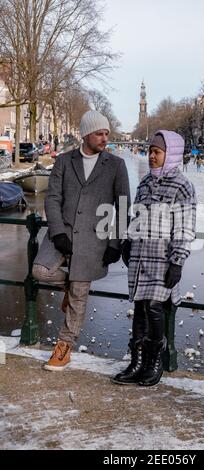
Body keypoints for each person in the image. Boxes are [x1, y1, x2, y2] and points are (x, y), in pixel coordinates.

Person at [32, 110, 131, 371]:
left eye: (107, 133)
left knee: (79, 293)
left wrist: (115, 242)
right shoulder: (64, 161)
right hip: (62, 234)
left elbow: (122, 206)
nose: (104, 138)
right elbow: (52, 198)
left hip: (93, 239)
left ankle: (64, 347)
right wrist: (58, 232)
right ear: (86, 134)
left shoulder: (116, 165)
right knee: (40, 271)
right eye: (99, 133)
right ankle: (68, 284)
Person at [113, 130, 197, 387]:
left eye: (157, 152)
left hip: (161, 258)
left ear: (169, 154)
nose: (151, 156)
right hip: (140, 256)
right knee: (139, 307)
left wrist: (177, 261)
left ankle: (155, 362)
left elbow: (185, 226)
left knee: (153, 307)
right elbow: (136, 215)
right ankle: (136, 363)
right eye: (150, 151)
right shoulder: (145, 182)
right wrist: (127, 239)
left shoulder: (182, 186)